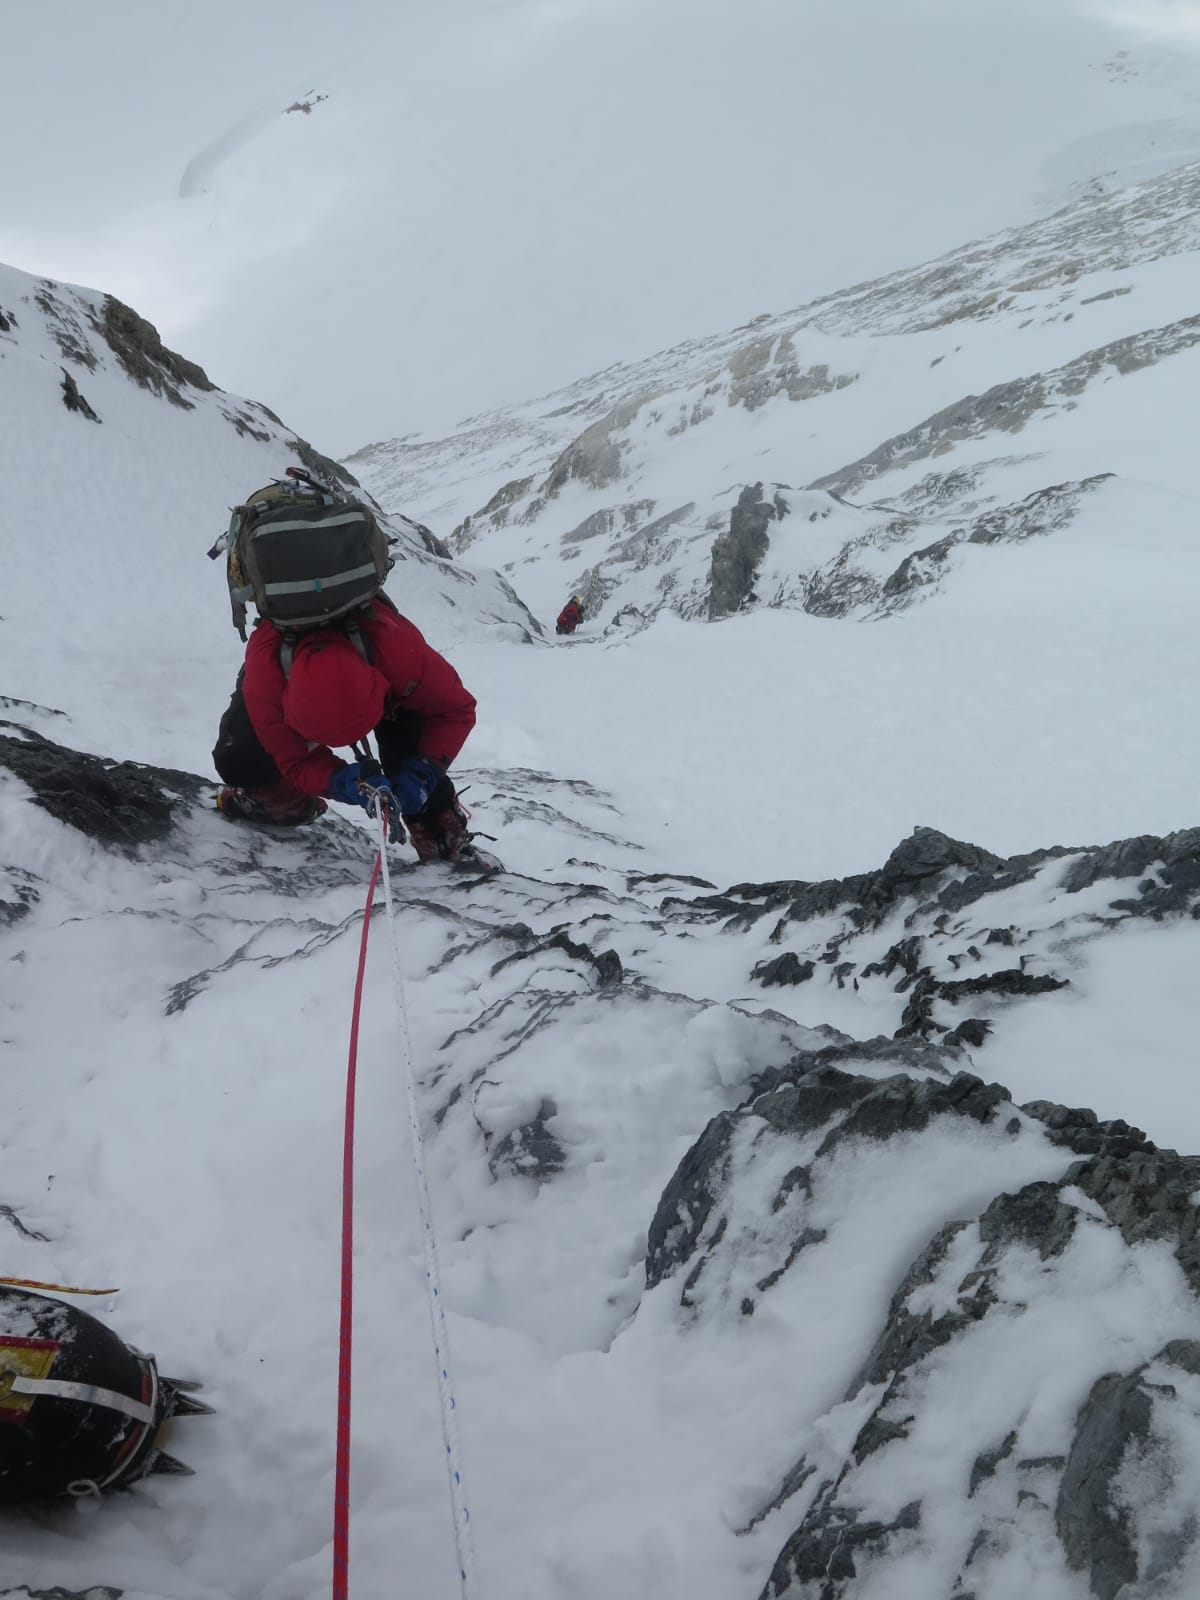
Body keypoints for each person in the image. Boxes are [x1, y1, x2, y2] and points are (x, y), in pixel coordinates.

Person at [213, 594, 478, 861]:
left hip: (385, 671)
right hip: (281, 675)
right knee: (239, 754)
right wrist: (338, 782)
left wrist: (423, 773)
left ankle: (441, 836)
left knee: (409, 737)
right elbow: (295, 759)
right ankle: (282, 802)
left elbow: (456, 710)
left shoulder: (399, 655)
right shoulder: (267, 688)